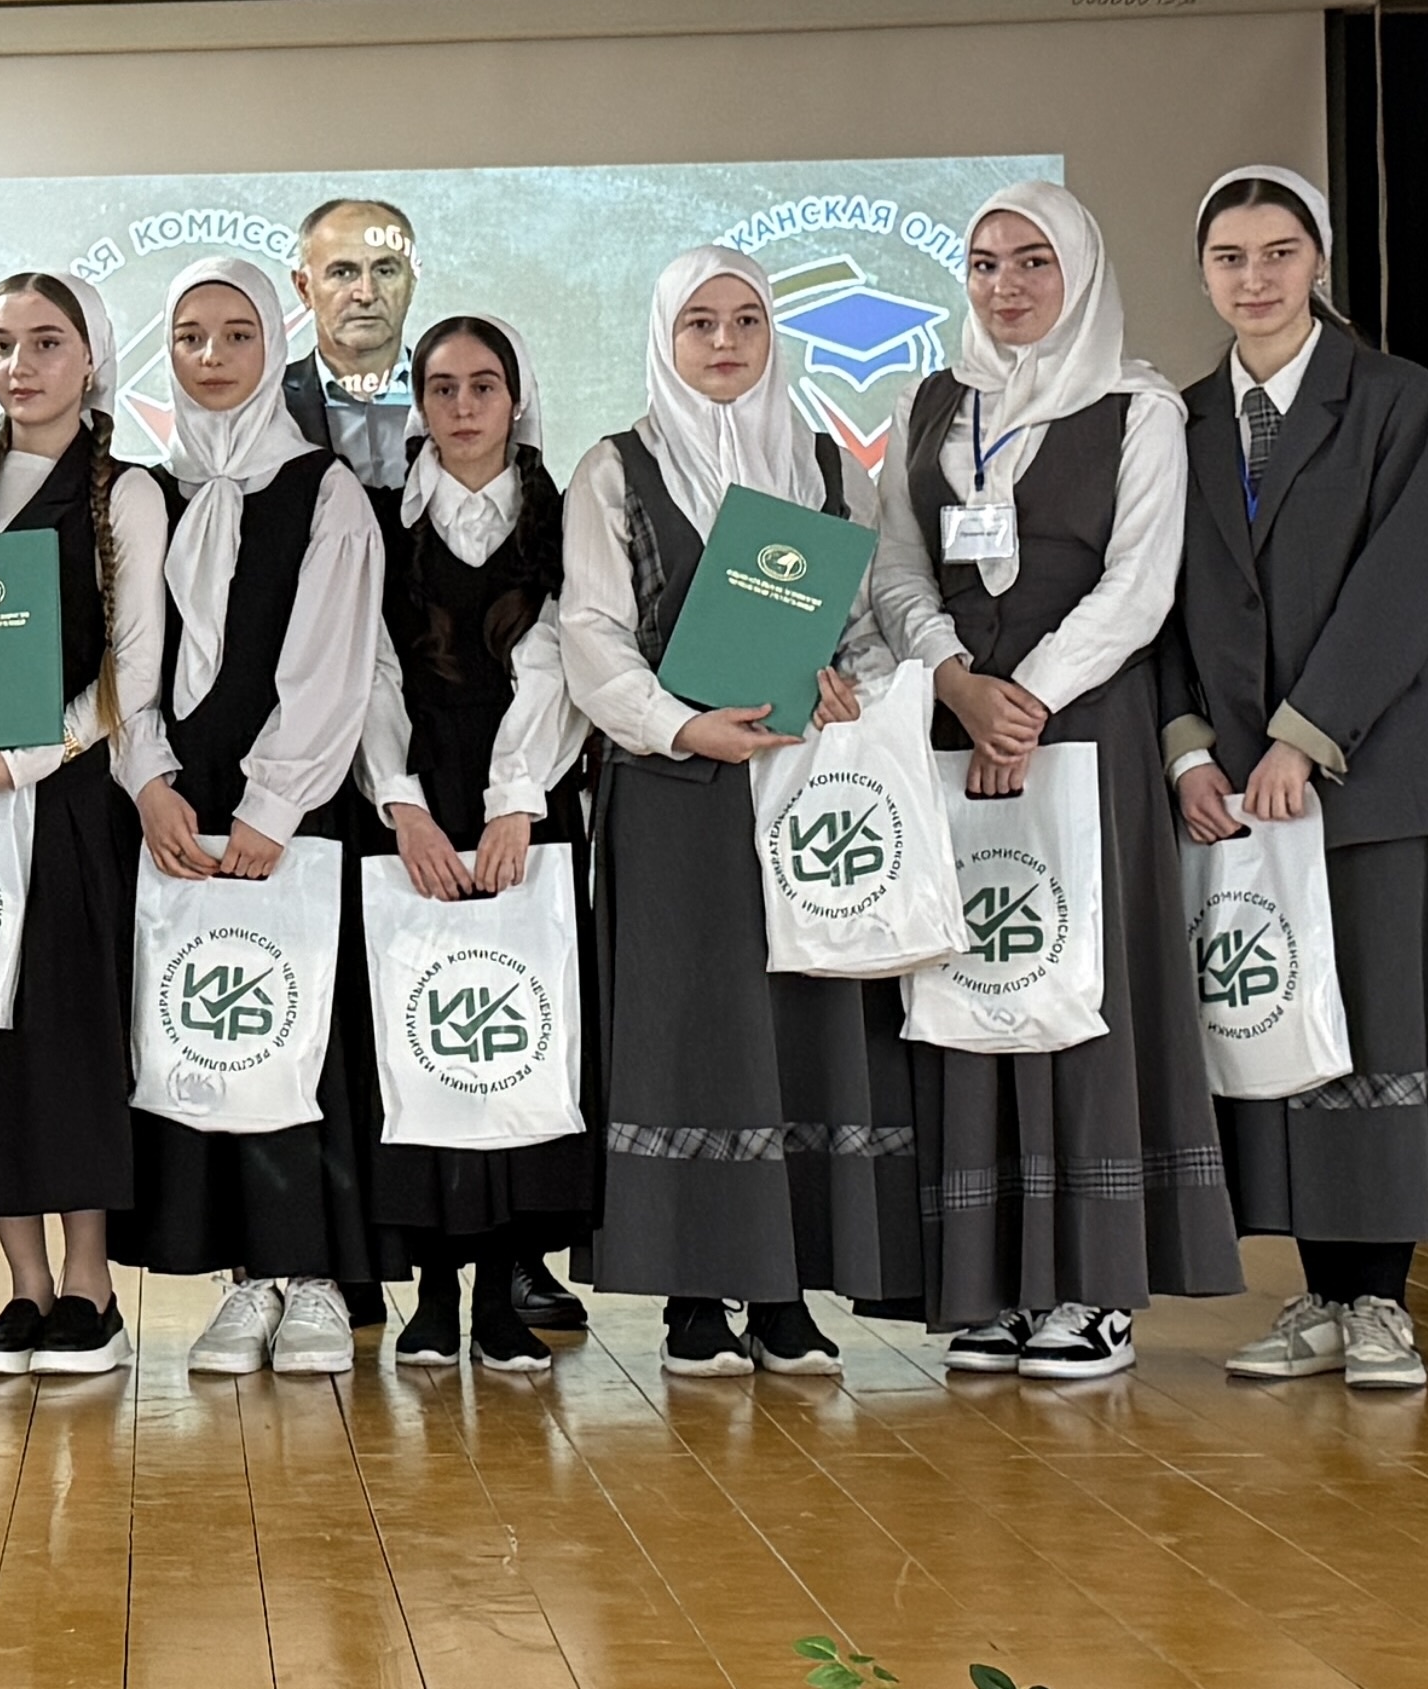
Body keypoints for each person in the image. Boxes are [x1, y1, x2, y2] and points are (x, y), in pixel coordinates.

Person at [1160, 169, 1428, 1395]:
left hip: (1367, 780)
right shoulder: (1178, 420)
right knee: (1276, 1032)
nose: (1256, 278)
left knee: (1375, 1033)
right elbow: (1156, 599)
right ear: (1204, 274)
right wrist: (1188, 749)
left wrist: (1305, 734)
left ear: (1319, 261)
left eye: (1280, 252)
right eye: (1231, 257)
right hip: (1234, 794)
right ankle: (1319, 1299)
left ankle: (1379, 1301)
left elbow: (1400, 582)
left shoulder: (1392, 395)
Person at [868, 183, 1235, 1383]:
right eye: (984, 263)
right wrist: (956, 680)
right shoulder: (929, 402)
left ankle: (1094, 1290)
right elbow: (896, 570)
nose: (1006, 285)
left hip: (1087, 731)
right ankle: (991, 1285)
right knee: (972, 986)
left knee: (1083, 988)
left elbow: (1141, 587)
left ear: (1079, 271)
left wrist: (1020, 700)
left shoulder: (1140, 407)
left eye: (1033, 261)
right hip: (955, 731)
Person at [558, 246, 895, 1379]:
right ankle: (693, 1296)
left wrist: (848, 680)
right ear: (666, 337)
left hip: (802, 789)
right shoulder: (613, 469)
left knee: (796, 1031)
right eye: (699, 322)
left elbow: (863, 625)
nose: (724, 342)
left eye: (746, 320)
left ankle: (786, 1293)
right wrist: (679, 724)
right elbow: (592, 636)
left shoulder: (826, 465)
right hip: (673, 794)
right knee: (688, 1031)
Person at [117, 255, 388, 1376]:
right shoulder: (146, 491)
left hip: (293, 809)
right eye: (190, 337)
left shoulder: (326, 489)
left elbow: (333, 667)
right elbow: (126, 658)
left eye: (237, 334)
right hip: (176, 808)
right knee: (213, 1029)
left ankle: (314, 1274)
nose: (213, 357)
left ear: (274, 345)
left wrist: (275, 800)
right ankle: (247, 1280)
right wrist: (148, 778)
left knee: (299, 1036)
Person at [0, 270, 160, 1381]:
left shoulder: (130, 491)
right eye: (2, 343)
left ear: (91, 355)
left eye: (47, 342)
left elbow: (133, 673)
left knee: (68, 1045)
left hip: (66, 803)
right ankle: (25, 1290)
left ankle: (91, 1290)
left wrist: (21, 763)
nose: (22, 365)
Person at [360, 314, 593, 1374]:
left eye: (483, 386)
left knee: (513, 1031)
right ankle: (432, 1293)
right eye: (442, 387)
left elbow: (559, 665)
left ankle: (502, 1291)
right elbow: (369, 670)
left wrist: (516, 801)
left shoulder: (563, 516)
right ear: (419, 402)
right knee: (419, 1033)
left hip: (526, 800)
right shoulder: (379, 517)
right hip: (414, 797)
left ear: (515, 397)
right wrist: (401, 802)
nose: (463, 407)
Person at [280, 194, 425, 481]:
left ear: (411, 283)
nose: (366, 294)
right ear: (304, 288)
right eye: (343, 272)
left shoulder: (458, 398)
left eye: (385, 271)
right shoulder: (265, 404)